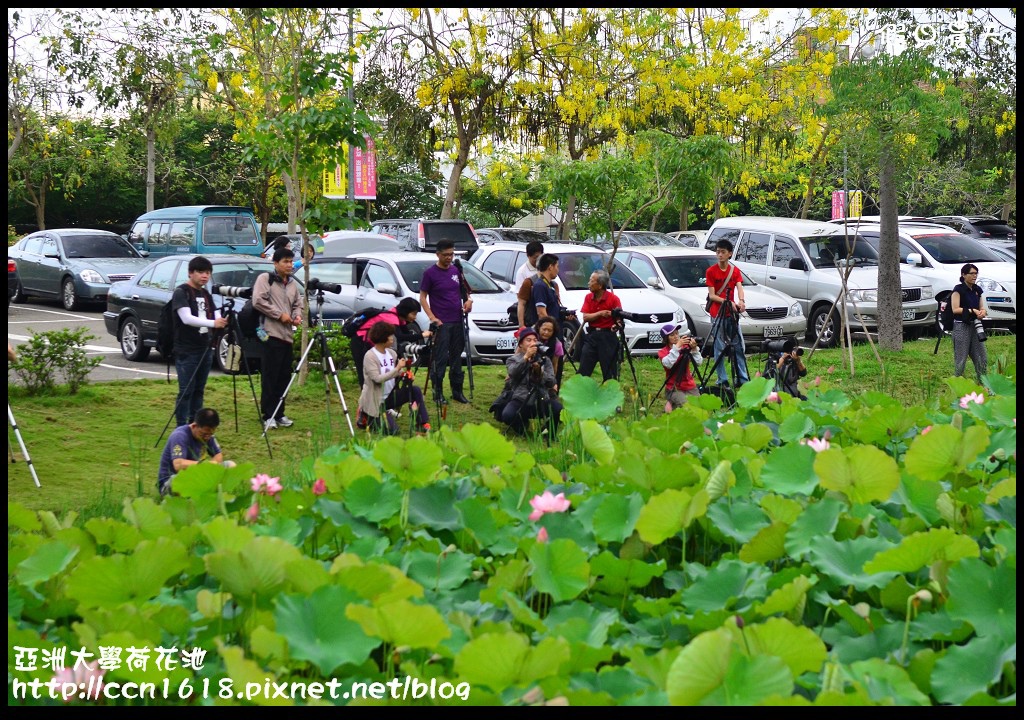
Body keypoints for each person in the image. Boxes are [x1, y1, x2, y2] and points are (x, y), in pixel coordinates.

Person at [172, 256, 229, 428]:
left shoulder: (205, 294)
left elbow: (215, 312)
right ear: (191, 273)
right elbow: (186, 318)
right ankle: (181, 426)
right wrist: (213, 323)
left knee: (199, 389)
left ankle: (195, 423)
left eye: (208, 273)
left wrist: (222, 320)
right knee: (186, 390)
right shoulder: (181, 292)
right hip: (186, 349)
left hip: (205, 347)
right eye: (200, 272)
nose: (205, 276)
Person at [252, 245, 304, 430]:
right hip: (270, 334)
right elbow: (258, 300)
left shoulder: (291, 283)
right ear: (276, 263)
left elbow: (299, 303)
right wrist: (279, 315)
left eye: (291, 261)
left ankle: (280, 413)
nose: (290, 265)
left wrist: (297, 315)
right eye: (286, 261)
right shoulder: (265, 279)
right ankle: (268, 415)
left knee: (284, 377)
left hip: (287, 336)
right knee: (270, 376)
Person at [419, 239, 472, 405]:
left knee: (457, 358)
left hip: (458, 320)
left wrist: (468, 301)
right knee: (440, 359)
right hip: (441, 324)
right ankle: (438, 393)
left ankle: (457, 391)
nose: (449, 258)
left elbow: (464, 292)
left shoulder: (456, 271)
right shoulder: (430, 273)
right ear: (438, 254)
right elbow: (422, 297)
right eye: (446, 255)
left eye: (451, 254)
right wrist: (432, 317)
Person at [358, 321, 431, 435]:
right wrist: (397, 369)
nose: (393, 338)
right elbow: (377, 379)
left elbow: (396, 372)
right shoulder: (370, 356)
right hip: (376, 401)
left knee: (415, 390)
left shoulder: (392, 353)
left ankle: (421, 425)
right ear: (383, 338)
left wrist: (404, 375)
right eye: (390, 335)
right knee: (393, 431)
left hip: (390, 397)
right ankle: (367, 416)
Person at [351, 297, 431, 386]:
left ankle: (389, 394)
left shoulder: (398, 317)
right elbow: (400, 337)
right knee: (365, 375)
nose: (415, 317)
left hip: (371, 344)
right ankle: (367, 397)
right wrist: (422, 335)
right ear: (405, 311)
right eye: (413, 314)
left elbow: (407, 335)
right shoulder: (391, 318)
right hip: (360, 342)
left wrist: (424, 334)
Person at [157, 408, 235, 497]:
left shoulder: (208, 435)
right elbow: (178, 465)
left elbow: (218, 455)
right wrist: (205, 465)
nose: (207, 437)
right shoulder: (179, 436)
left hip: (196, 479)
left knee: (231, 465)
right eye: (204, 434)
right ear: (194, 426)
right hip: (171, 483)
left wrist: (211, 467)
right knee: (178, 480)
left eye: (211, 433)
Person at [500, 327, 562, 436]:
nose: (533, 343)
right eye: (528, 340)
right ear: (521, 344)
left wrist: (540, 372)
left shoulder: (544, 360)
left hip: (541, 398)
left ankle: (547, 432)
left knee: (559, 410)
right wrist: (525, 358)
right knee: (507, 415)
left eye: (535, 340)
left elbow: (552, 381)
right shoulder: (513, 359)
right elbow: (513, 373)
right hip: (521, 399)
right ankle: (522, 429)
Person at [705, 238, 749, 388]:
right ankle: (722, 380)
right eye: (717, 252)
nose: (719, 255)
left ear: (730, 254)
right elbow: (712, 295)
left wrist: (741, 301)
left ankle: (742, 379)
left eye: (723, 252)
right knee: (719, 348)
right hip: (717, 314)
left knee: (739, 347)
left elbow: (739, 286)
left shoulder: (734, 270)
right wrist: (728, 302)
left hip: (732, 315)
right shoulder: (711, 272)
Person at [578, 269, 622, 382]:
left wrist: (616, 326)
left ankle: (610, 395)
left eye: (591, 281)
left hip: (607, 336)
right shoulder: (588, 297)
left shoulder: (613, 299)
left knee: (609, 371)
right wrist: (601, 313)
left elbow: (619, 319)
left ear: (600, 285)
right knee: (584, 368)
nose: (589, 283)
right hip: (592, 335)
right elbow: (586, 317)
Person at [951, 263, 988, 383]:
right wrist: (972, 310)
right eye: (971, 273)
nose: (974, 276)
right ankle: (957, 383)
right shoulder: (958, 290)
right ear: (963, 275)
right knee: (961, 358)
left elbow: (981, 307)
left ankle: (982, 383)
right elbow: (955, 309)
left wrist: (982, 312)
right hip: (962, 325)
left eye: (976, 273)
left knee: (982, 357)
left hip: (976, 325)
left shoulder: (977, 290)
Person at [658, 323, 702, 410]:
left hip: (689, 385)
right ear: (666, 338)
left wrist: (694, 349)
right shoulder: (663, 352)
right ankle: (672, 401)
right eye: (672, 335)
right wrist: (677, 347)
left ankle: (672, 404)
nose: (676, 336)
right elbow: (668, 364)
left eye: (677, 333)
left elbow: (698, 363)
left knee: (699, 407)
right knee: (686, 407)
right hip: (674, 387)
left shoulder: (685, 347)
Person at [518, 253, 561, 329]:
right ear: (550, 267)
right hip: (544, 331)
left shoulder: (552, 285)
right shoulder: (539, 285)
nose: (558, 270)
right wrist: (550, 329)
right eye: (557, 267)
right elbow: (541, 313)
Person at [534, 316, 565, 392]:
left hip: (546, 371)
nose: (546, 333)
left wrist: (552, 382)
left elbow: (555, 365)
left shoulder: (557, 344)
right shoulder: (531, 338)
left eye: (550, 330)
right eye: (544, 329)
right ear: (538, 327)